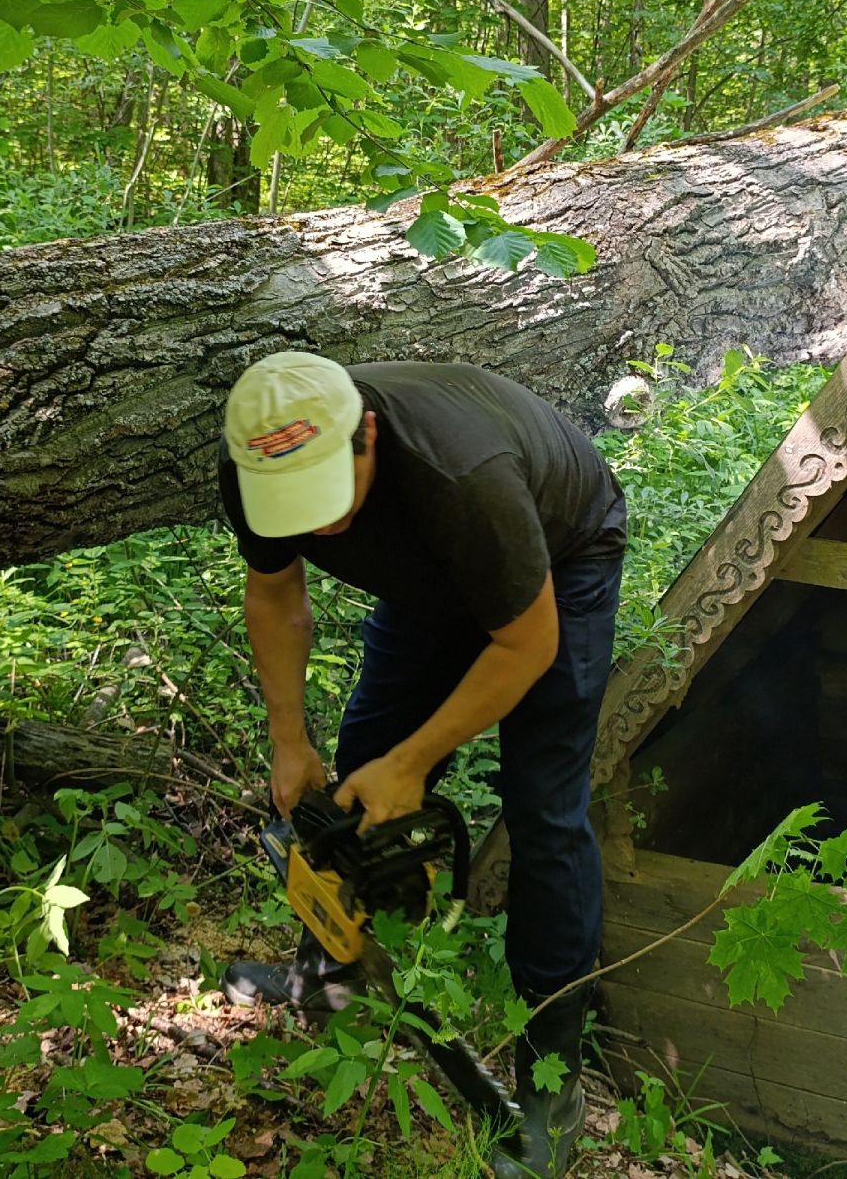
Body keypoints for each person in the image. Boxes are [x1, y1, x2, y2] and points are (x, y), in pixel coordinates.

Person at [214, 350, 626, 1179]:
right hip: (429, 576)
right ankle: (328, 975)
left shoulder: (460, 474)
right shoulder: (253, 458)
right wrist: (290, 741)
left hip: (558, 560)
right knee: (363, 758)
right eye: (295, 505)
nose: (320, 524)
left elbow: (526, 642)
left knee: (542, 807)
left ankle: (553, 1080)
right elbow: (275, 594)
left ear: (368, 433)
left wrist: (418, 764)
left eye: (329, 494)